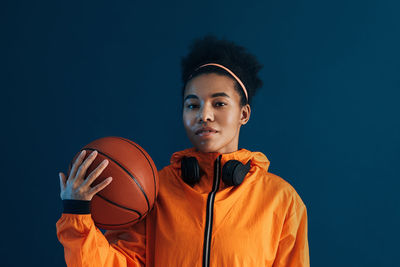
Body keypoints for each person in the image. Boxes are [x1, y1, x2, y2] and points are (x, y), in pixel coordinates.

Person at [56, 34, 310, 267]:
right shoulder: (155, 191)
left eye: (219, 103)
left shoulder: (281, 200)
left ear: (244, 113)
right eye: (192, 105)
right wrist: (77, 214)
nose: (204, 115)